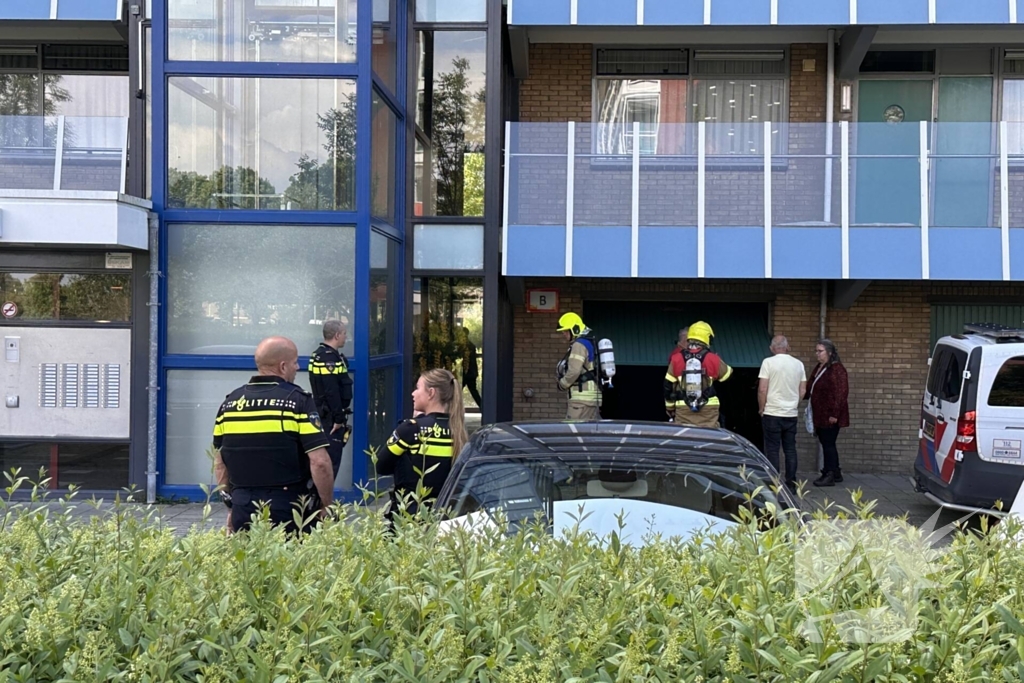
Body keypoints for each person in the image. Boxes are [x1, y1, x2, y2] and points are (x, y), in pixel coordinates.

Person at [213, 336, 334, 534]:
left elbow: (219, 463)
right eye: (295, 362)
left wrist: (231, 506)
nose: (298, 367)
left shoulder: (230, 404)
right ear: (283, 366)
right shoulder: (297, 402)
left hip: (243, 505)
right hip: (288, 506)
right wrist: (327, 505)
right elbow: (319, 462)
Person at [377, 368, 468, 520]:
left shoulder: (411, 429)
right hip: (445, 517)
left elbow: (381, 466)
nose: (413, 393)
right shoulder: (459, 432)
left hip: (410, 518)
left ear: (431, 393)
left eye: (418, 388)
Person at [757, 335, 807, 493]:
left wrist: (761, 408)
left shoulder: (768, 362)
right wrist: (794, 404)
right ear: (787, 347)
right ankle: (791, 484)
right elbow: (803, 390)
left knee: (772, 449)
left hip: (772, 412)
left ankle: (774, 484)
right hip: (790, 414)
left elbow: (762, 389)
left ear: (772, 348)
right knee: (790, 449)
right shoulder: (798, 364)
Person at [664, 321, 732, 427]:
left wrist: (670, 407)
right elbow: (726, 375)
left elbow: (668, 386)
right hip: (708, 409)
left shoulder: (676, 358)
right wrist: (717, 360)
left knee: (684, 434)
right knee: (709, 435)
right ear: (707, 338)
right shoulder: (713, 358)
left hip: (684, 408)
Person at [308, 320, 353, 479]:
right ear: (337, 335)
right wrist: (338, 419)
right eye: (344, 334)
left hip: (324, 414)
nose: (346, 337)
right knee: (330, 465)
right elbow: (331, 391)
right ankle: (323, 495)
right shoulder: (329, 359)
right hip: (330, 419)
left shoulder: (319, 354)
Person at [806, 339, 850, 487]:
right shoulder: (820, 367)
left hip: (830, 415)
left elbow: (841, 393)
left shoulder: (837, 369)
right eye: (816, 351)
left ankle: (829, 474)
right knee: (827, 442)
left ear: (830, 352)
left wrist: (835, 414)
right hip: (820, 413)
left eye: (820, 351)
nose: (817, 354)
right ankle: (835, 472)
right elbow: (811, 386)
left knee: (828, 443)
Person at [555, 312, 602, 421]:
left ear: (575, 329)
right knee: (588, 431)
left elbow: (574, 371)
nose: (564, 333)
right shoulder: (589, 343)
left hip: (580, 402)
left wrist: (562, 384)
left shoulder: (578, 345)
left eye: (566, 331)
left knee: (572, 430)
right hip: (591, 399)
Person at [458, 327, 482, 409]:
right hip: (470, 372)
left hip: (468, 373)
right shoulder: (469, 345)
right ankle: (483, 407)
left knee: (457, 391)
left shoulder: (467, 346)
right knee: (473, 391)